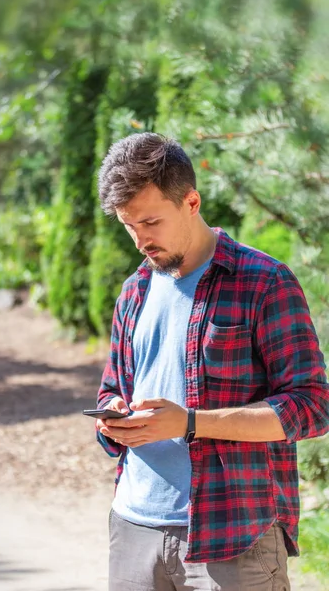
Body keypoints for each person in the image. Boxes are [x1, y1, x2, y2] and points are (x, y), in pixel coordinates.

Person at [94, 132, 329, 591]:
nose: (140, 240)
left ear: (192, 201)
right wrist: (113, 419)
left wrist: (190, 422)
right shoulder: (134, 291)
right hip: (133, 527)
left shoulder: (264, 282)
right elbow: (111, 389)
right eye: (129, 226)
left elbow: (312, 406)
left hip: (234, 537)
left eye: (151, 222)